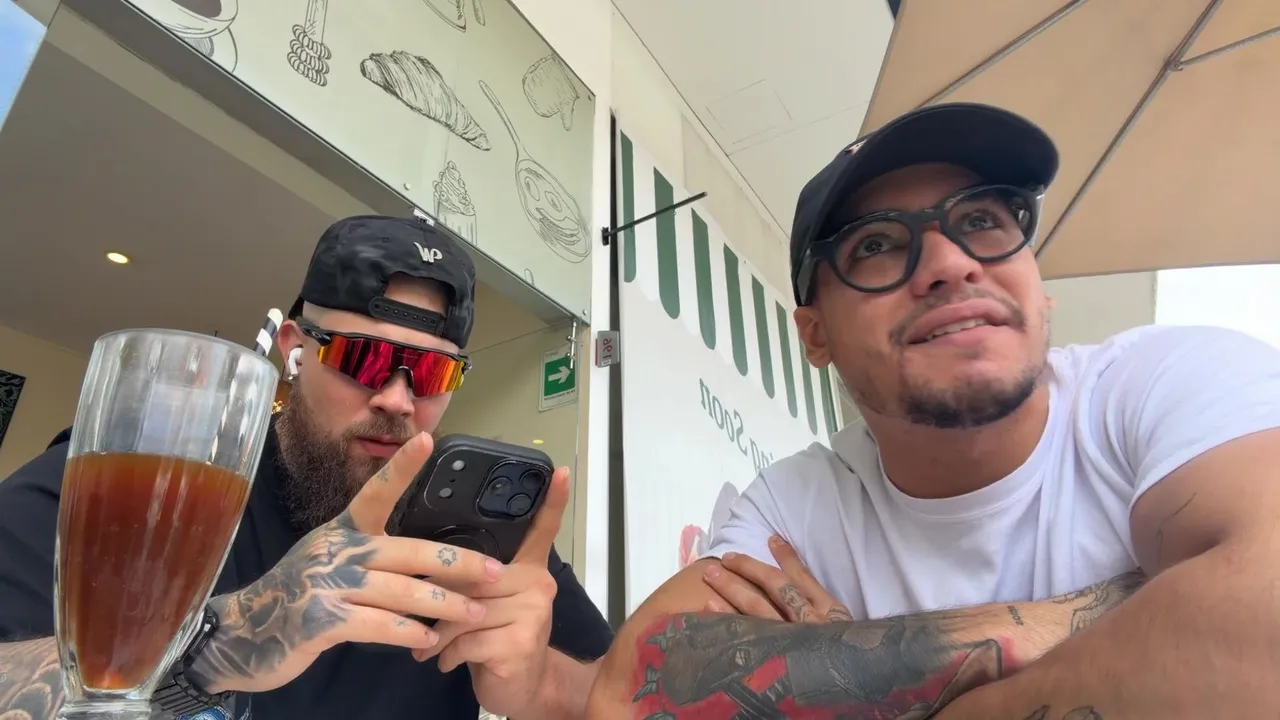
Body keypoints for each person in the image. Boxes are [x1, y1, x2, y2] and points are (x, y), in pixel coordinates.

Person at [586, 103, 1280, 718]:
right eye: (876, 245)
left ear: (1040, 291)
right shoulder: (798, 505)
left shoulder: (1174, 382)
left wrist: (852, 673)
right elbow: (635, 693)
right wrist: (1106, 613)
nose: (951, 263)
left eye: (981, 220)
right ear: (815, 336)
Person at [0, 215, 613, 720]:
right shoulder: (161, 481)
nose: (397, 400)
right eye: (365, 359)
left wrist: (539, 685)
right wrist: (227, 639)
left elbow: (617, 694)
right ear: (295, 349)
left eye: (431, 373)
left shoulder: (480, 536)